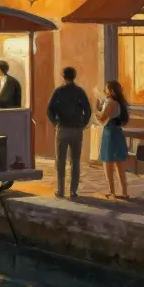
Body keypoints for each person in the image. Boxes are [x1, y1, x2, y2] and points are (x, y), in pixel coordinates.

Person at [46, 66, 93, 199]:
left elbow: (50, 109)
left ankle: (60, 190)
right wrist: (82, 124)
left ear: (63, 76)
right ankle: (73, 190)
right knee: (75, 161)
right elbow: (88, 110)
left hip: (62, 129)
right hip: (76, 130)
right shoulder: (79, 92)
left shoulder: (59, 91)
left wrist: (55, 122)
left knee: (60, 161)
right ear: (74, 76)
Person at [96, 80, 130, 199]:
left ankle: (112, 191)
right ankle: (124, 192)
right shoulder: (120, 103)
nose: (104, 91)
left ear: (110, 90)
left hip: (109, 133)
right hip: (118, 133)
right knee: (120, 164)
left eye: (106, 89)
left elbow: (102, 118)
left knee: (108, 162)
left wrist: (96, 110)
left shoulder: (109, 102)